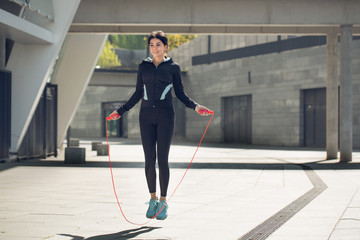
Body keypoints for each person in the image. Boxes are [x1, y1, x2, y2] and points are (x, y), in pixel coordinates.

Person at [108, 30, 211, 220]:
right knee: (149, 159)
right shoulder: (143, 66)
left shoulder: (173, 67)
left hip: (165, 116)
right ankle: (153, 199)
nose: (154, 48)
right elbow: (138, 92)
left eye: (158, 44)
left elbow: (180, 94)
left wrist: (196, 107)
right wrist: (120, 111)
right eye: (151, 45)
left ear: (165, 46)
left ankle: (163, 202)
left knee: (162, 160)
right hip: (145, 117)